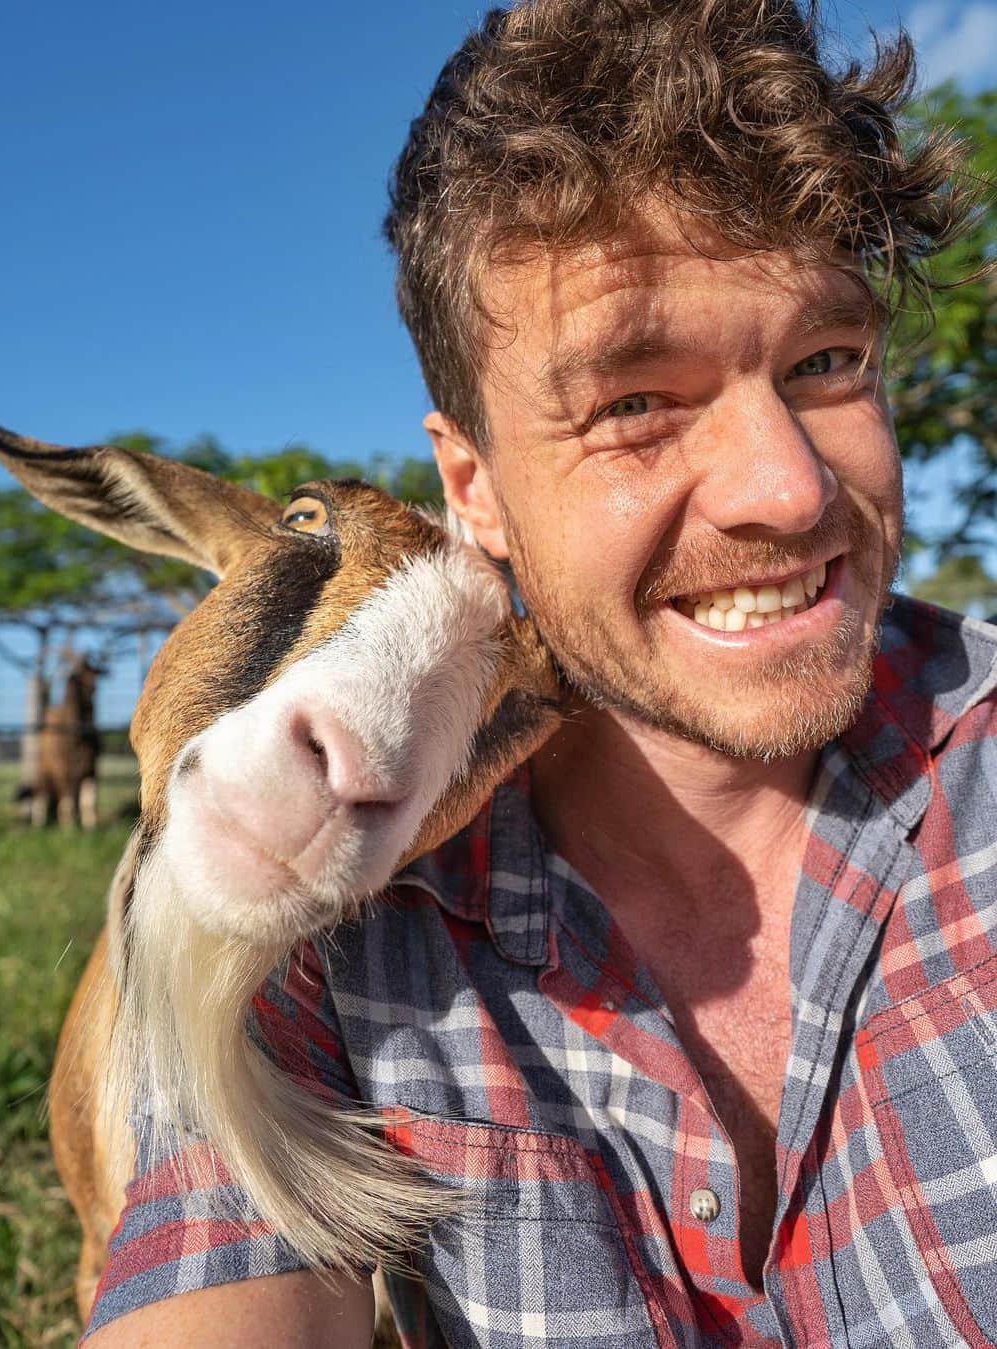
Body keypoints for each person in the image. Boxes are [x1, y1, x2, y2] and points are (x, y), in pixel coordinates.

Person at [86, 2, 996, 1345]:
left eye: (828, 361)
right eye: (633, 402)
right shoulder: (336, 910)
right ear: (476, 489)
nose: (792, 490)